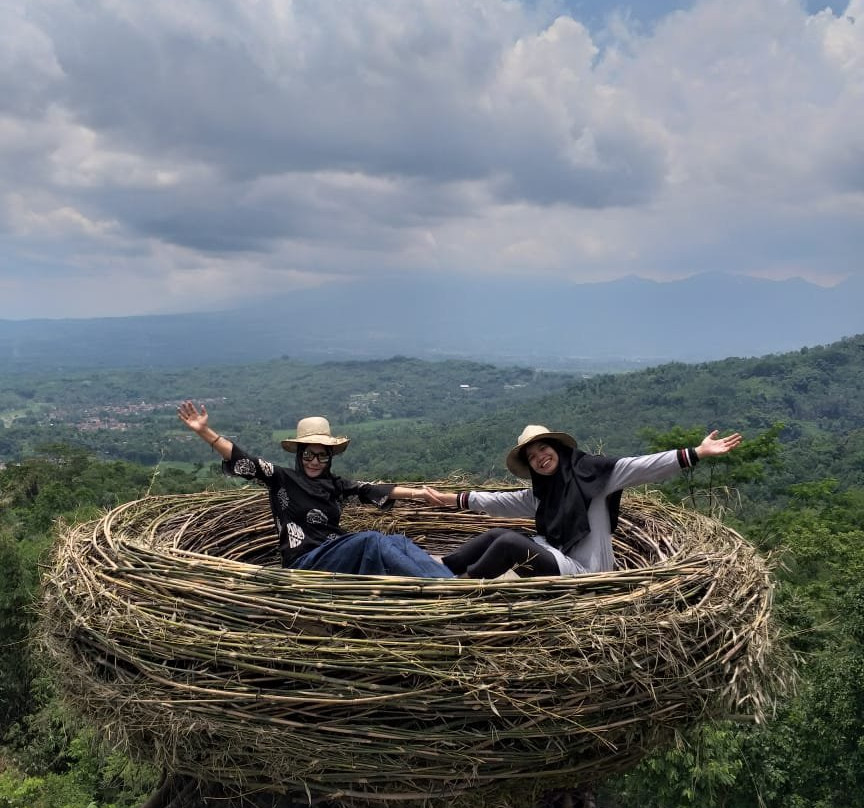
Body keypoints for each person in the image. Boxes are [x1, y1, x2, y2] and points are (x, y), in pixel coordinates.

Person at [423, 424, 742, 579]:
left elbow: (642, 467)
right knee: (497, 534)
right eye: (532, 457)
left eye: (543, 449)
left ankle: (462, 587)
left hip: (585, 573)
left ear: (557, 449)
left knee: (508, 543)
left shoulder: (595, 477)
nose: (539, 458)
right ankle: (444, 567)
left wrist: (696, 453)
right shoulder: (544, 494)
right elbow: (499, 502)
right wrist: (451, 500)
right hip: (556, 556)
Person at [177, 401, 453, 578]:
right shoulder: (282, 478)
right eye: (308, 455)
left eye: (322, 456)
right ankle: (435, 587)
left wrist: (418, 494)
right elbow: (244, 460)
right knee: (371, 540)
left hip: (336, 554)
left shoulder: (334, 484)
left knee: (398, 542)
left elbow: (371, 489)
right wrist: (204, 431)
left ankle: (450, 581)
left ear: (329, 458)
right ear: (300, 455)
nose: (314, 461)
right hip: (305, 564)